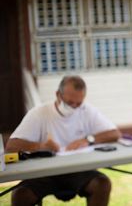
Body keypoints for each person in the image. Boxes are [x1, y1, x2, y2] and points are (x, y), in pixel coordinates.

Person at [6, 75, 121, 206]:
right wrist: (40, 146)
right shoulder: (39, 113)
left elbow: (115, 133)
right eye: (70, 102)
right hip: (45, 172)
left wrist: (89, 139)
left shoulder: (86, 110)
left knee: (102, 184)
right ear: (58, 95)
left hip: (78, 170)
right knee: (20, 194)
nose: (74, 107)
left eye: (78, 103)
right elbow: (11, 146)